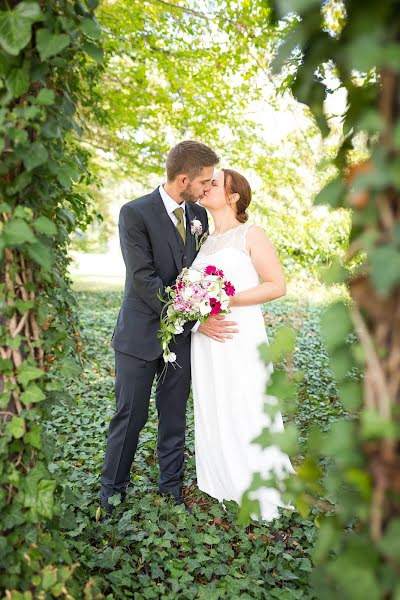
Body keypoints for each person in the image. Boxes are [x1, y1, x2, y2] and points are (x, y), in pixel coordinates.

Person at [100, 141, 238, 515]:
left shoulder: (198, 215)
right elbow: (143, 280)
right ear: (183, 179)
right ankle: (111, 490)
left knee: (174, 412)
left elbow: (199, 273)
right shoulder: (134, 213)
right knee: (131, 415)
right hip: (139, 335)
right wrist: (193, 315)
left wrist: (197, 315)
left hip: (182, 338)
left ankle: (171, 488)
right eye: (205, 182)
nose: (208, 188)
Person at [191, 168, 295, 521]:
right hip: (206, 338)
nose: (205, 188)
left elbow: (276, 285)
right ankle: (219, 472)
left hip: (239, 333)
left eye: (214, 184)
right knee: (213, 399)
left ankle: (253, 476)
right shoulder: (203, 240)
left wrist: (225, 300)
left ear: (233, 196)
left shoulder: (251, 234)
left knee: (243, 397)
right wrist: (200, 316)